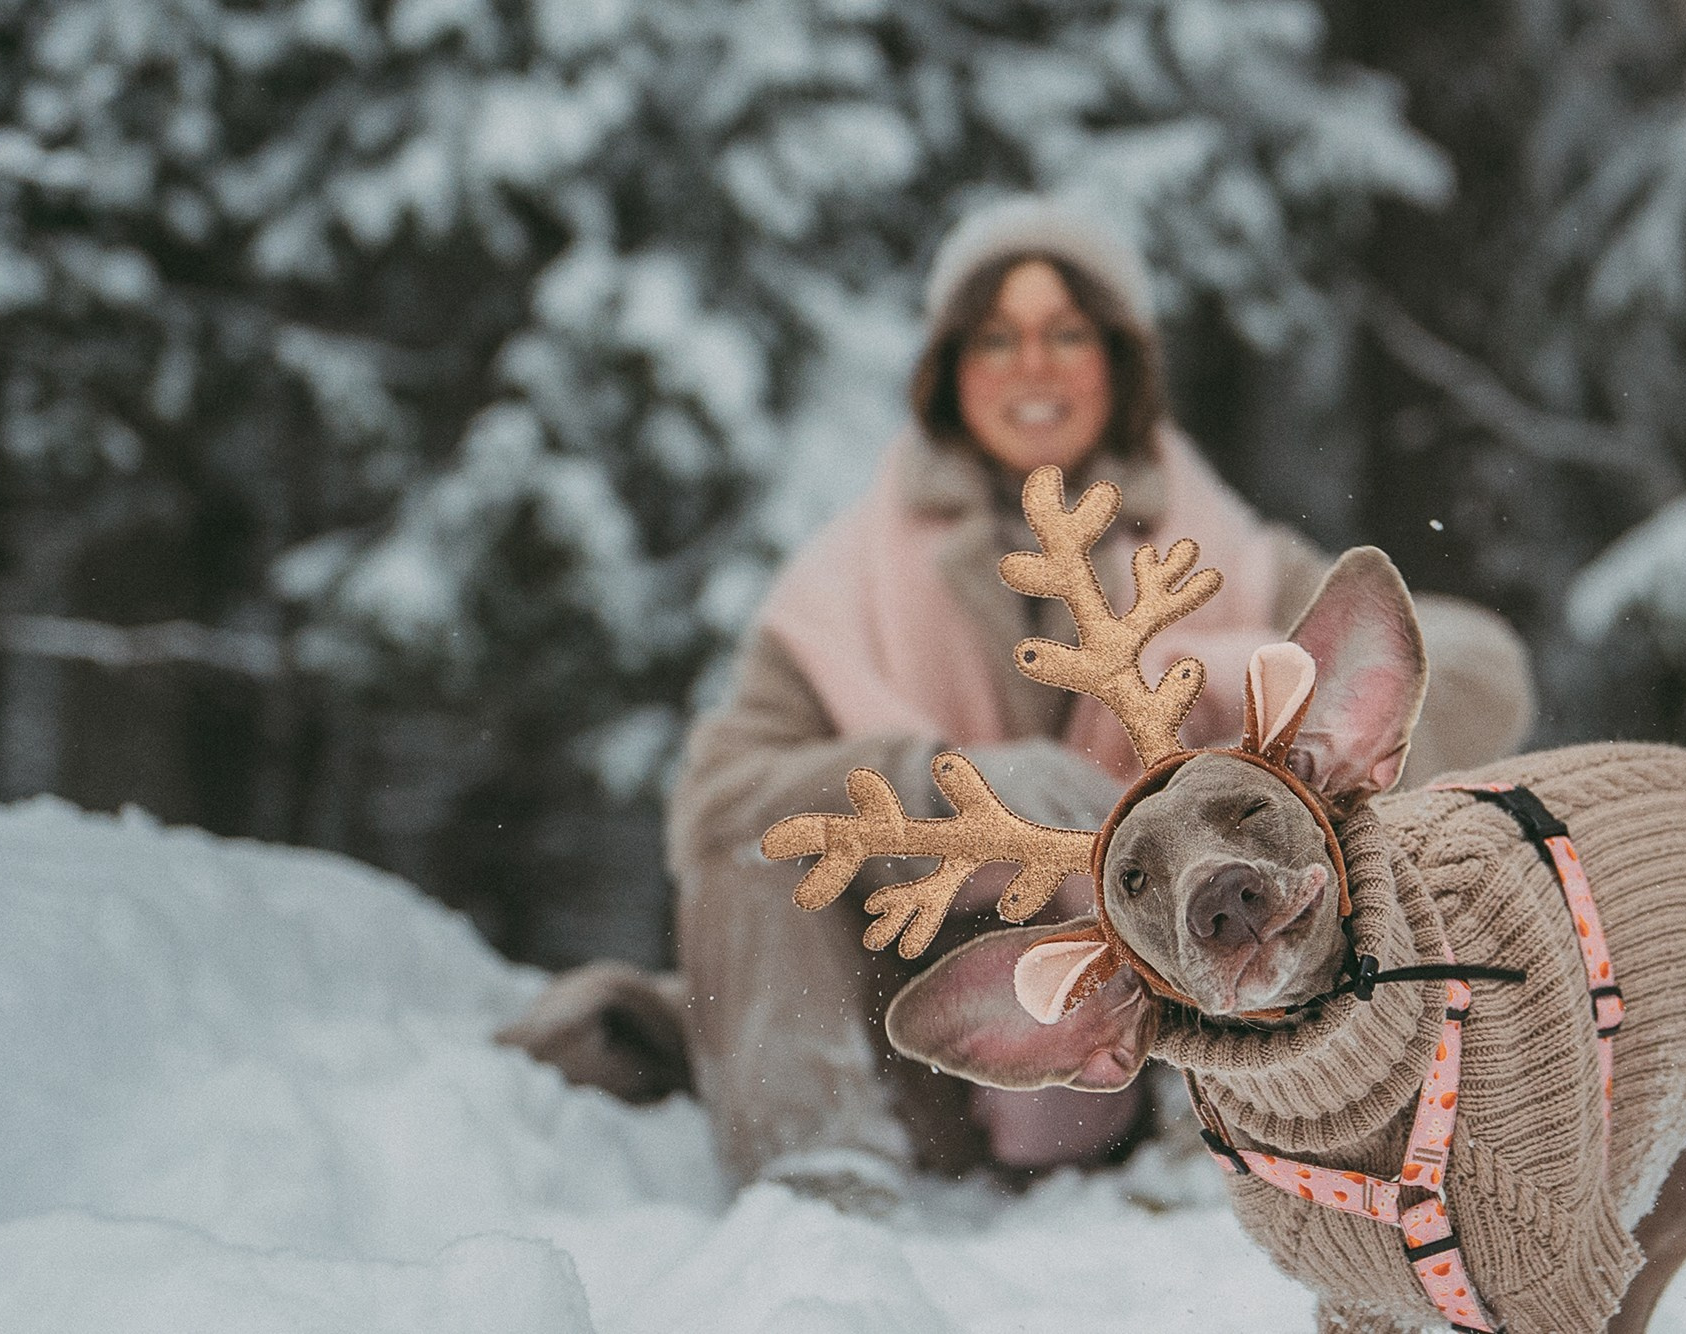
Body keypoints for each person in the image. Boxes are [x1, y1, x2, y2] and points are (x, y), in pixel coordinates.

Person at [655, 197, 1538, 1196]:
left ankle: (1233, 1134)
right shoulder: (841, 582)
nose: (1032, 367)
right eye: (997, 339)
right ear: (949, 372)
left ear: (1120, 364)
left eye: (1066, 334)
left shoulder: (1218, 552)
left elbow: (1473, 664)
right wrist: (938, 783)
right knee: (746, 853)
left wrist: (1224, 690)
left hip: (1165, 1015)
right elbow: (716, 794)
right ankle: (819, 1178)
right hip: (919, 1040)